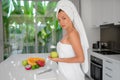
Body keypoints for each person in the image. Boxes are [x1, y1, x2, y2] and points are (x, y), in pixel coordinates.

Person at [49, 0, 89, 80]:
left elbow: (81, 58)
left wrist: (58, 59)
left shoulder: (73, 34)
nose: (61, 22)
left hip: (73, 76)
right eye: (59, 20)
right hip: (65, 75)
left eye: (64, 18)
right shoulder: (68, 33)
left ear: (70, 17)